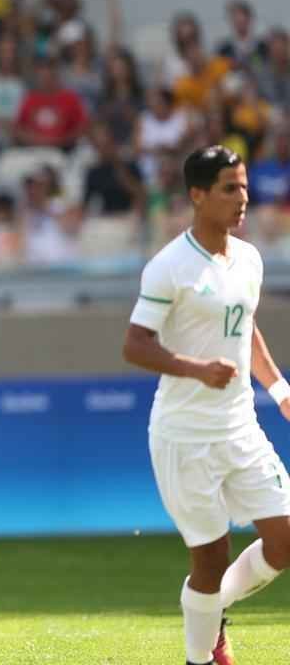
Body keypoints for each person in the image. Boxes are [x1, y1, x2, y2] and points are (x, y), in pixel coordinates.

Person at [122, 145, 290, 665]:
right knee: (210, 558)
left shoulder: (248, 259)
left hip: (240, 427)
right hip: (184, 436)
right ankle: (200, 659)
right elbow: (135, 345)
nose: (242, 198)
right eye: (229, 188)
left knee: (285, 540)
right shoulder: (169, 266)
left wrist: (280, 389)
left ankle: (213, 610)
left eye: (244, 187)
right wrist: (197, 369)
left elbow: (244, 327)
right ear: (197, 195)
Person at [14, 57, 88, 151]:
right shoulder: (30, 99)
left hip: (64, 150)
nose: (46, 78)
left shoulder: (70, 98)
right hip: (34, 150)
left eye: (50, 74)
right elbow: (18, 128)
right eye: (42, 74)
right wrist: (34, 140)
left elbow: (82, 126)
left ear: (55, 74)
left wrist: (62, 140)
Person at [216, 0, 266, 70]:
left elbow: (262, 68)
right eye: (234, 17)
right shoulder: (224, 49)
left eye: (242, 17)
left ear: (249, 19)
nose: (238, 21)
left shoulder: (262, 46)